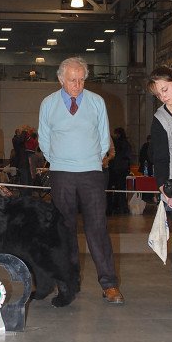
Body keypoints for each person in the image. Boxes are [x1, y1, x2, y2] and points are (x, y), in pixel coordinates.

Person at [38, 56, 124, 304]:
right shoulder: (48, 104)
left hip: (91, 174)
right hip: (61, 174)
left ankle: (109, 284)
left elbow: (103, 137)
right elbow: (44, 138)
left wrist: (90, 161)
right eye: (72, 80)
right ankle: (68, 284)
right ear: (60, 79)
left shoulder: (97, 102)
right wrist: (59, 160)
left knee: (97, 229)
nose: (77, 85)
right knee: (64, 231)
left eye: (81, 80)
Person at [147, 65, 172, 306]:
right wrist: (164, 189)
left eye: (165, 89)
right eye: (159, 94)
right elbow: (161, 158)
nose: (163, 96)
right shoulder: (160, 119)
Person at [107, 127, 132, 214]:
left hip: (115, 169)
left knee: (111, 190)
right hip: (122, 169)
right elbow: (128, 157)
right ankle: (122, 208)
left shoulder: (116, 143)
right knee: (121, 190)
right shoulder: (126, 144)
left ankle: (113, 208)